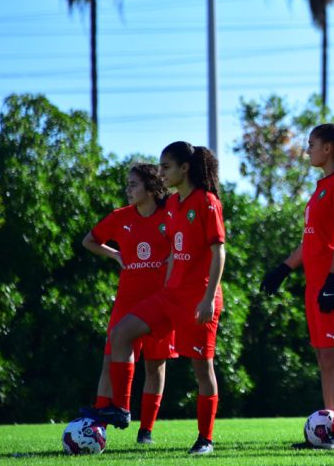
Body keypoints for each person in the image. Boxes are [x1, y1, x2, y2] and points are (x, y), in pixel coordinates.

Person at [83, 142, 226, 456]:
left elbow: (219, 252)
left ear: (184, 168)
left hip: (199, 300)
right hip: (170, 297)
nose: (161, 173)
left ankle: (205, 440)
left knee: (203, 371)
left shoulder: (207, 201)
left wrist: (207, 299)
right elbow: (175, 251)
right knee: (121, 333)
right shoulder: (174, 203)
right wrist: (165, 288)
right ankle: (120, 409)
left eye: (166, 167)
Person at [262, 122, 334, 450]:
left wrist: (333, 281)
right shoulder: (321, 186)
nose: (308, 150)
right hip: (316, 283)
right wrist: (283, 268)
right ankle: (328, 428)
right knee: (323, 358)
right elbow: (311, 242)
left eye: (311, 144)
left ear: (328, 148)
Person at [82, 163, 176, 445]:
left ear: (150, 188)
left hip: (160, 300)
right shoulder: (120, 217)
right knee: (110, 358)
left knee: (155, 365)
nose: (128, 189)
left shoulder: (169, 214)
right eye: (128, 184)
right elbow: (89, 241)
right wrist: (115, 255)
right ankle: (99, 422)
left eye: (134, 184)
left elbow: (181, 245)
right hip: (127, 300)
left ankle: (145, 432)